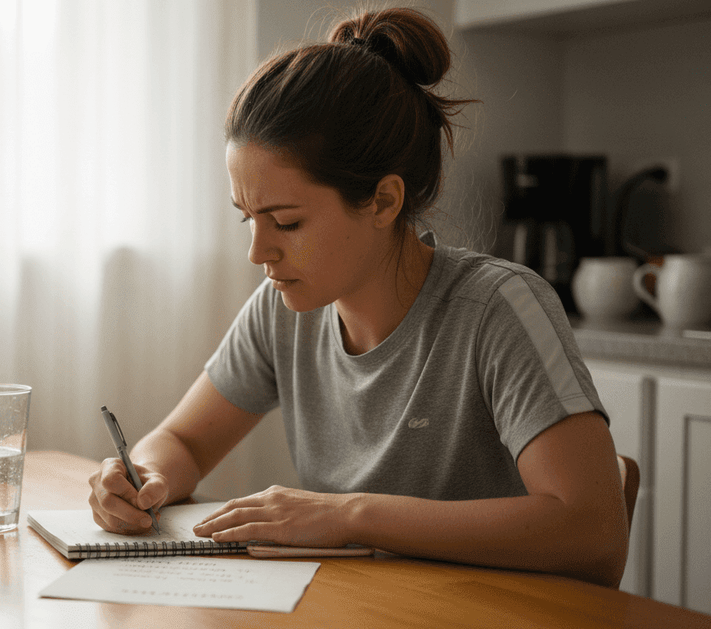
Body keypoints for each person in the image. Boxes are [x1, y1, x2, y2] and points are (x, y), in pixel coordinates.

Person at [88, 7, 628, 588]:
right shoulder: (282, 310)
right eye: (248, 219)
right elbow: (183, 441)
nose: (258, 252)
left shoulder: (500, 309)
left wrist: (349, 515)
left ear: (383, 202)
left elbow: (593, 533)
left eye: (287, 223)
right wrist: (144, 475)